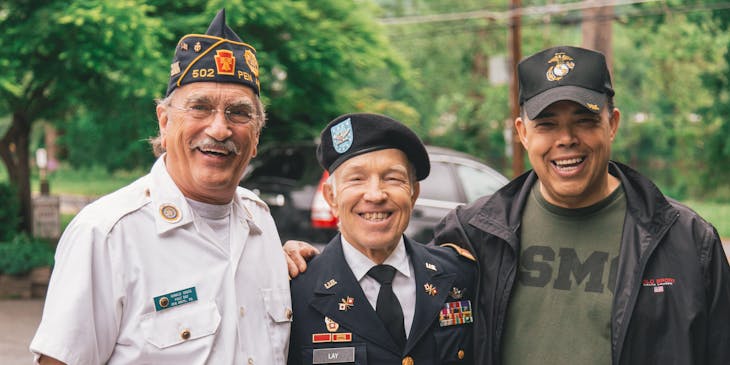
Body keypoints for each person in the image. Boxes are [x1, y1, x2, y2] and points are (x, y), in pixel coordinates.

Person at [286, 46, 730, 364]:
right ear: (522, 132)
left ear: (611, 124)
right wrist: (299, 259)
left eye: (585, 120)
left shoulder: (689, 242)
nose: (566, 139)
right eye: (547, 123)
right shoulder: (477, 234)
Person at [30, 9, 292, 365]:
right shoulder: (107, 234)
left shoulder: (261, 225)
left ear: (257, 135)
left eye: (238, 113)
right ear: (165, 122)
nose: (219, 129)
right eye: (200, 108)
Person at [287, 113, 477, 365]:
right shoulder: (294, 291)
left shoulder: (460, 275)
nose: (375, 195)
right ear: (331, 197)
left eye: (392, 178)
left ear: (413, 193)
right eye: (357, 179)